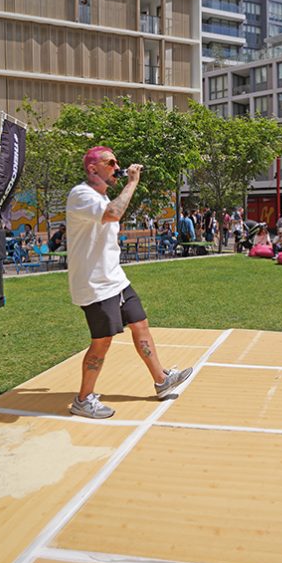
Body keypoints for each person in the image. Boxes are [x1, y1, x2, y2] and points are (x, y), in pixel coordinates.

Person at [65, 146, 192, 419]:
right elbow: (113, 213)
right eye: (110, 163)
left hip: (115, 279)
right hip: (94, 284)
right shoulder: (81, 194)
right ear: (92, 169)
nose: (116, 167)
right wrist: (132, 182)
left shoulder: (102, 196)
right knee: (102, 341)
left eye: (116, 163)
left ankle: (161, 380)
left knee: (140, 324)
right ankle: (83, 399)